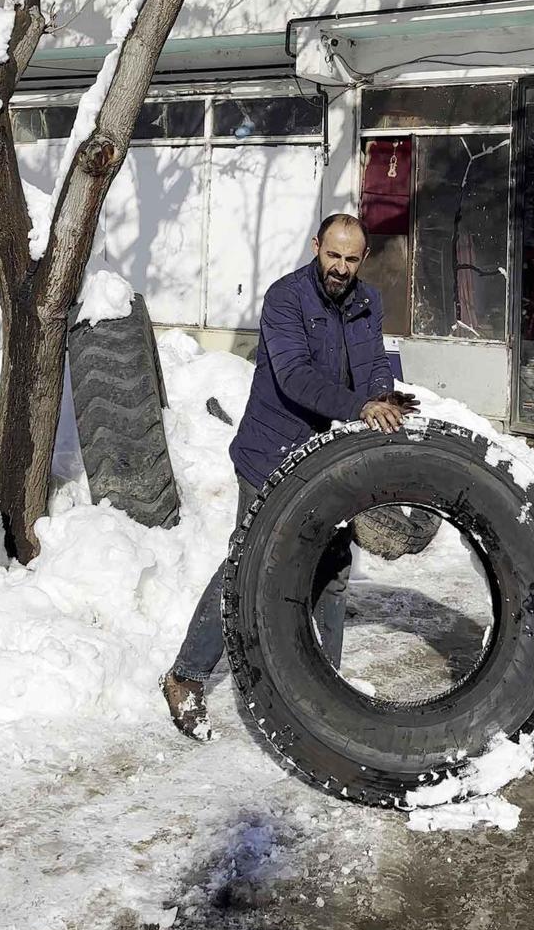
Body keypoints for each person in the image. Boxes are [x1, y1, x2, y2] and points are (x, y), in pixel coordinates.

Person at [161, 211, 411, 740]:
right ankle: (185, 675)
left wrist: (383, 395)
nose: (340, 268)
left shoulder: (368, 302)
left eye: (350, 259)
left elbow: (374, 364)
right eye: (332, 255)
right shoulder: (285, 298)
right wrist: (359, 407)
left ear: (362, 259)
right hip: (272, 451)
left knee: (334, 567)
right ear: (316, 245)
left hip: (328, 454)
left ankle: (327, 688)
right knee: (249, 563)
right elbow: (296, 378)